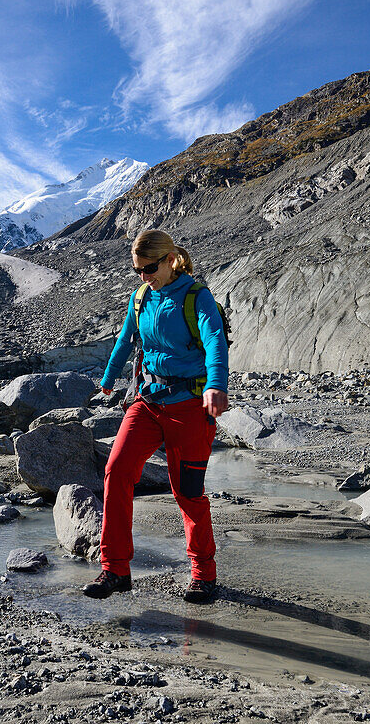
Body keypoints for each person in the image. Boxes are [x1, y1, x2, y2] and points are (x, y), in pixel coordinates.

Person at [82, 229, 229, 604]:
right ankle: (115, 569)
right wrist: (108, 378)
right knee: (116, 470)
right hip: (148, 402)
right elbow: (125, 339)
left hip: (190, 406)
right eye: (137, 270)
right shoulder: (140, 297)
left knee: (188, 493)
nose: (143, 276)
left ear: (169, 260)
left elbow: (214, 342)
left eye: (149, 268)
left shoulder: (197, 297)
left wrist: (215, 385)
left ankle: (203, 576)